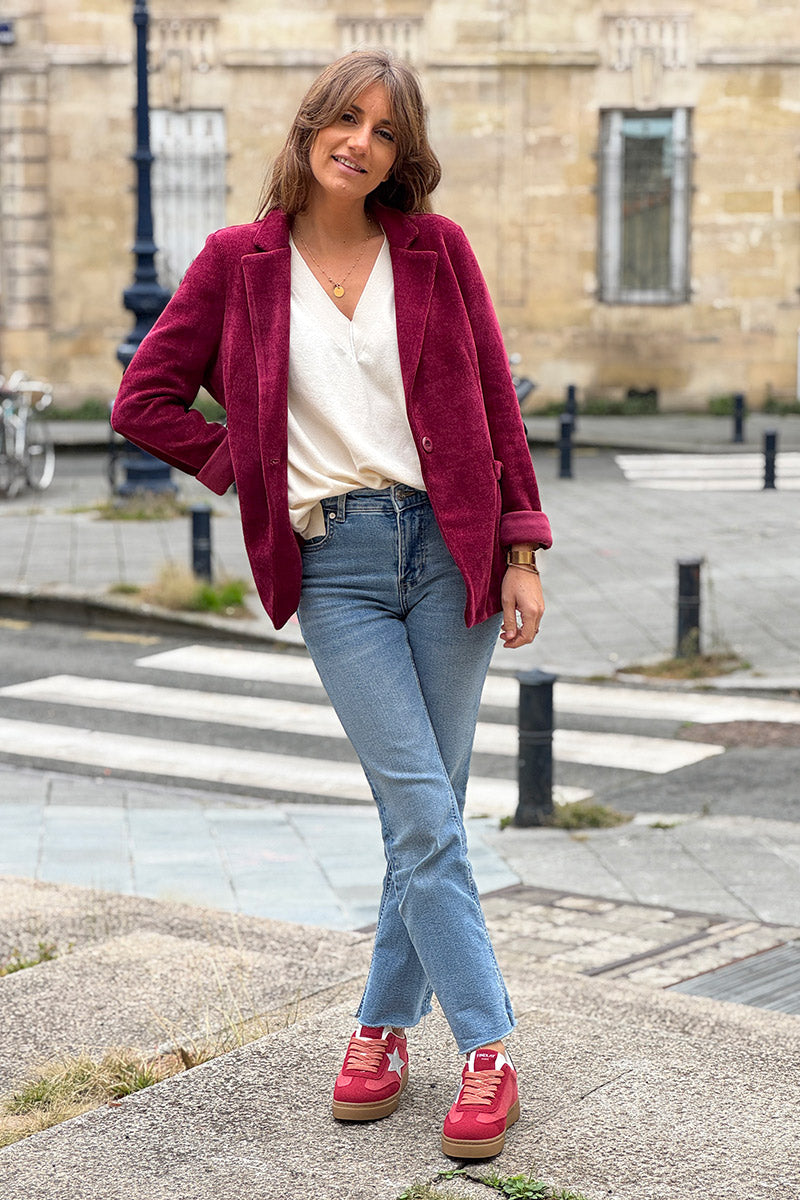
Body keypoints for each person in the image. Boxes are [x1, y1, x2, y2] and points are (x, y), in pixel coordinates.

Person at [112, 48, 552, 1160]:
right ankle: (488, 1047)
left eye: (385, 131)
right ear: (311, 126)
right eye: (346, 119)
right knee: (420, 811)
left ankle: (376, 1030)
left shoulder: (436, 252)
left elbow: (496, 402)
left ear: (402, 155)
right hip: (338, 569)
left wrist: (519, 548)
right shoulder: (237, 262)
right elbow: (144, 398)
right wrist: (242, 470)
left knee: (427, 816)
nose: (360, 141)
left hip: (449, 553)